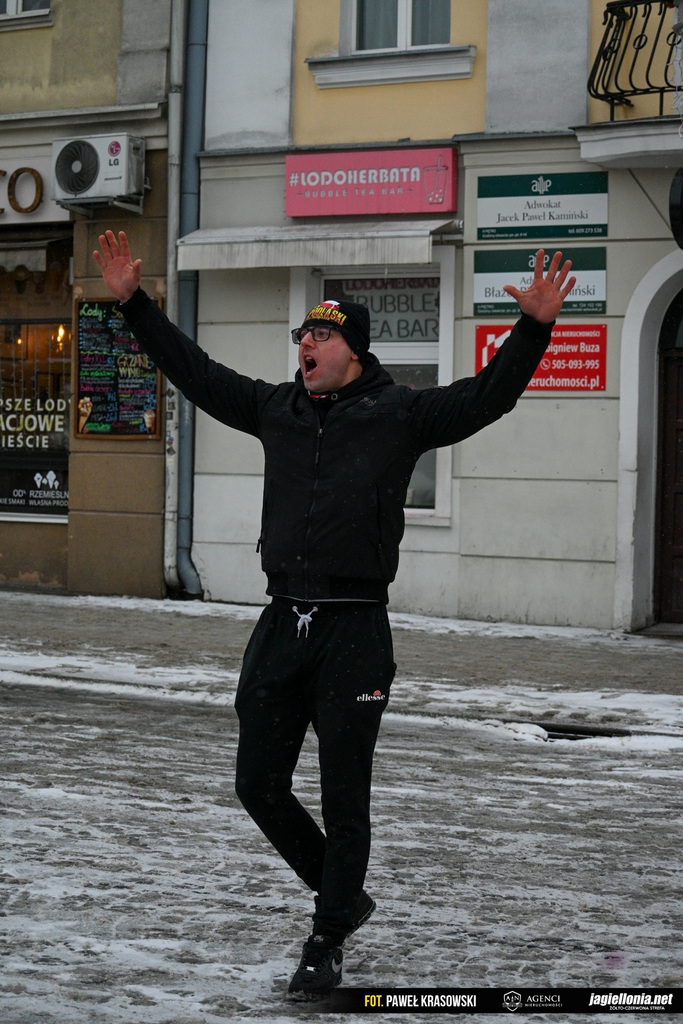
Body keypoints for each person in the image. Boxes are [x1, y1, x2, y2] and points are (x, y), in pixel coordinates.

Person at [94, 230, 575, 999]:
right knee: (257, 784)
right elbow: (195, 372)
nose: (305, 345)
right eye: (302, 335)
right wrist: (134, 305)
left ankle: (324, 941)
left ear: (354, 349)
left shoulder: (399, 413)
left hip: (353, 629)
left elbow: (487, 396)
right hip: (282, 622)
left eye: (320, 335)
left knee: (345, 797)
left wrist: (533, 328)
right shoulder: (275, 408)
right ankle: (342, 893)